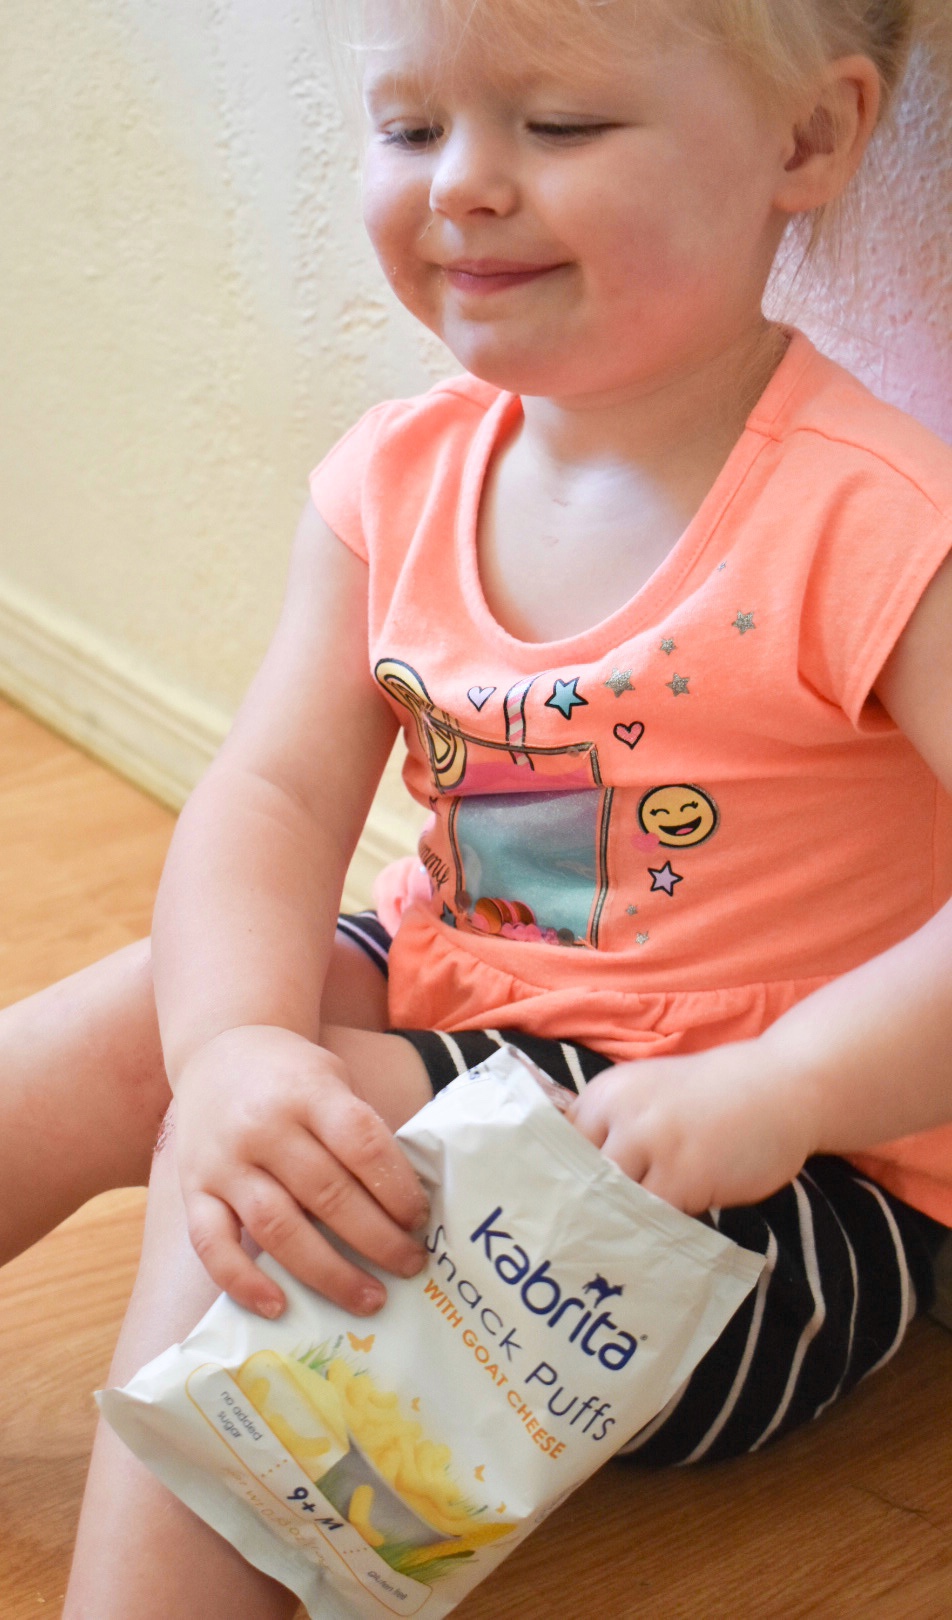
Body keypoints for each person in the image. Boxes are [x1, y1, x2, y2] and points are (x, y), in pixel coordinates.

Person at [1, 0, 949, 1613]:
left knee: (297, 1143)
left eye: (559, 127)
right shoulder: (399, 479)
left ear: (807, 138)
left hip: (762, 1193)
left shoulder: (874, 523)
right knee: (172, 1023)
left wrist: (787, 1086)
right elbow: (272, 792)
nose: (462, 186)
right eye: (410, 127)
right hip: (475, 1007)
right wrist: (225, 1048)